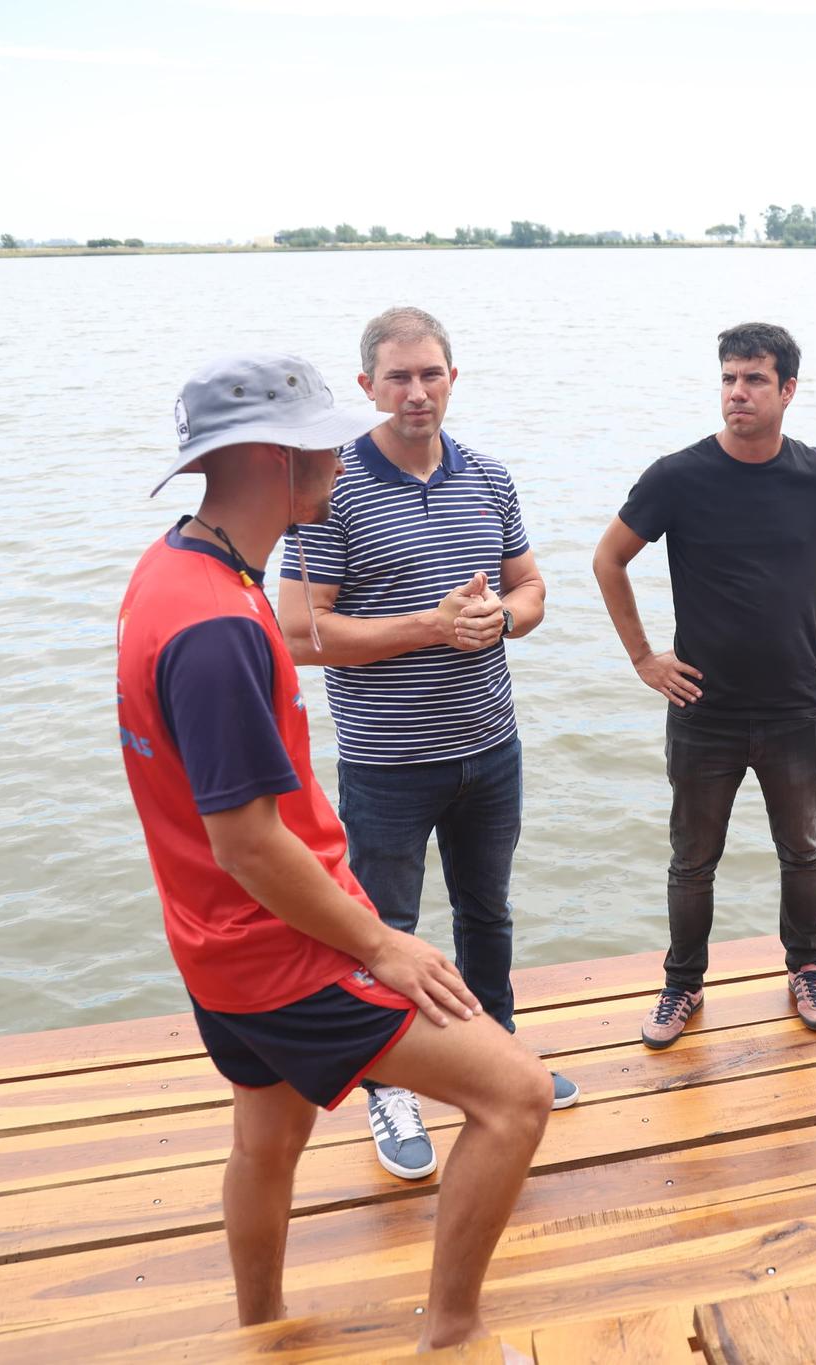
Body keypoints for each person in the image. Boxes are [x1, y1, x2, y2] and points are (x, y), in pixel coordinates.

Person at [116, 353, 551, 1351]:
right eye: (321, 445)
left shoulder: (170, 569)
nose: (341, 463)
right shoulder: (220, 625)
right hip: (283, 953)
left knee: (266, 1139)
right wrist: (385, 946)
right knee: (516, 1097)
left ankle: (260, 1333)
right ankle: (453, 1333)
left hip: (210, 947)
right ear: (274, 459)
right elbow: (249, 843)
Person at [278, 307, 576, 1185]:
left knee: (488, 916)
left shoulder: (488, 475)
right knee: (386, 930)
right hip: (386, 761)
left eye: (431, 374)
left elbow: (531, 586)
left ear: (454, 377)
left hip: (491, 745)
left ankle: (502, 1063)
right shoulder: (334, 487)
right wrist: (431, 627)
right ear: (366, 385)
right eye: (398, 377)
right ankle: (389, 1087)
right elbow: (298, 632)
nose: (417, 392)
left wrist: (501, 620)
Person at [593, 322, 816, 1048]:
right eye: (730, 379)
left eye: (755, 380)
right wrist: (645, 657)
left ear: (787, 389)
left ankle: (806, 966)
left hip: (796, 703)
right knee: (691, 858)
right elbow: (608, 559)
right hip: (702, 706)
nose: (738, 393)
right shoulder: (677, 476)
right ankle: (682, 984)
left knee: (802, 847)